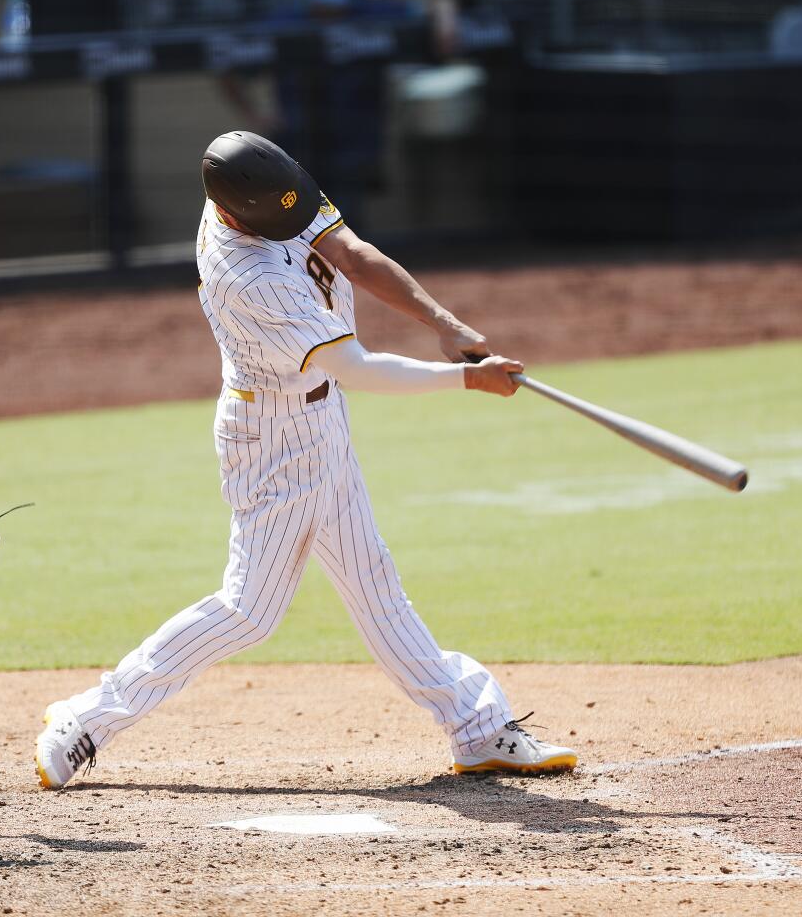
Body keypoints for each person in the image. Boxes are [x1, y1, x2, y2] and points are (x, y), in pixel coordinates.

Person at [34, 131, 576, 789]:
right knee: (249, 611)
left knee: (375, 584)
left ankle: (477, 728)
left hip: (321, 417)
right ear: (238, 213)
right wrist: (468, 380)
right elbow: (359, 367)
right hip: (272, 438)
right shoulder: (245, 276)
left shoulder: (272, 191)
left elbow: (350, 252)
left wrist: (443, 321)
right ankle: (86, 719)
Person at [222, 0, 449, 230]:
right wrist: (256, 115)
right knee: (296, 229)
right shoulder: (284, 22)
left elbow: (435, 8)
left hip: (354, 145)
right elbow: (227, 64)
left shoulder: (373, 14)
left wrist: (446, 14)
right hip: (297, 147)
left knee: (345, 226)